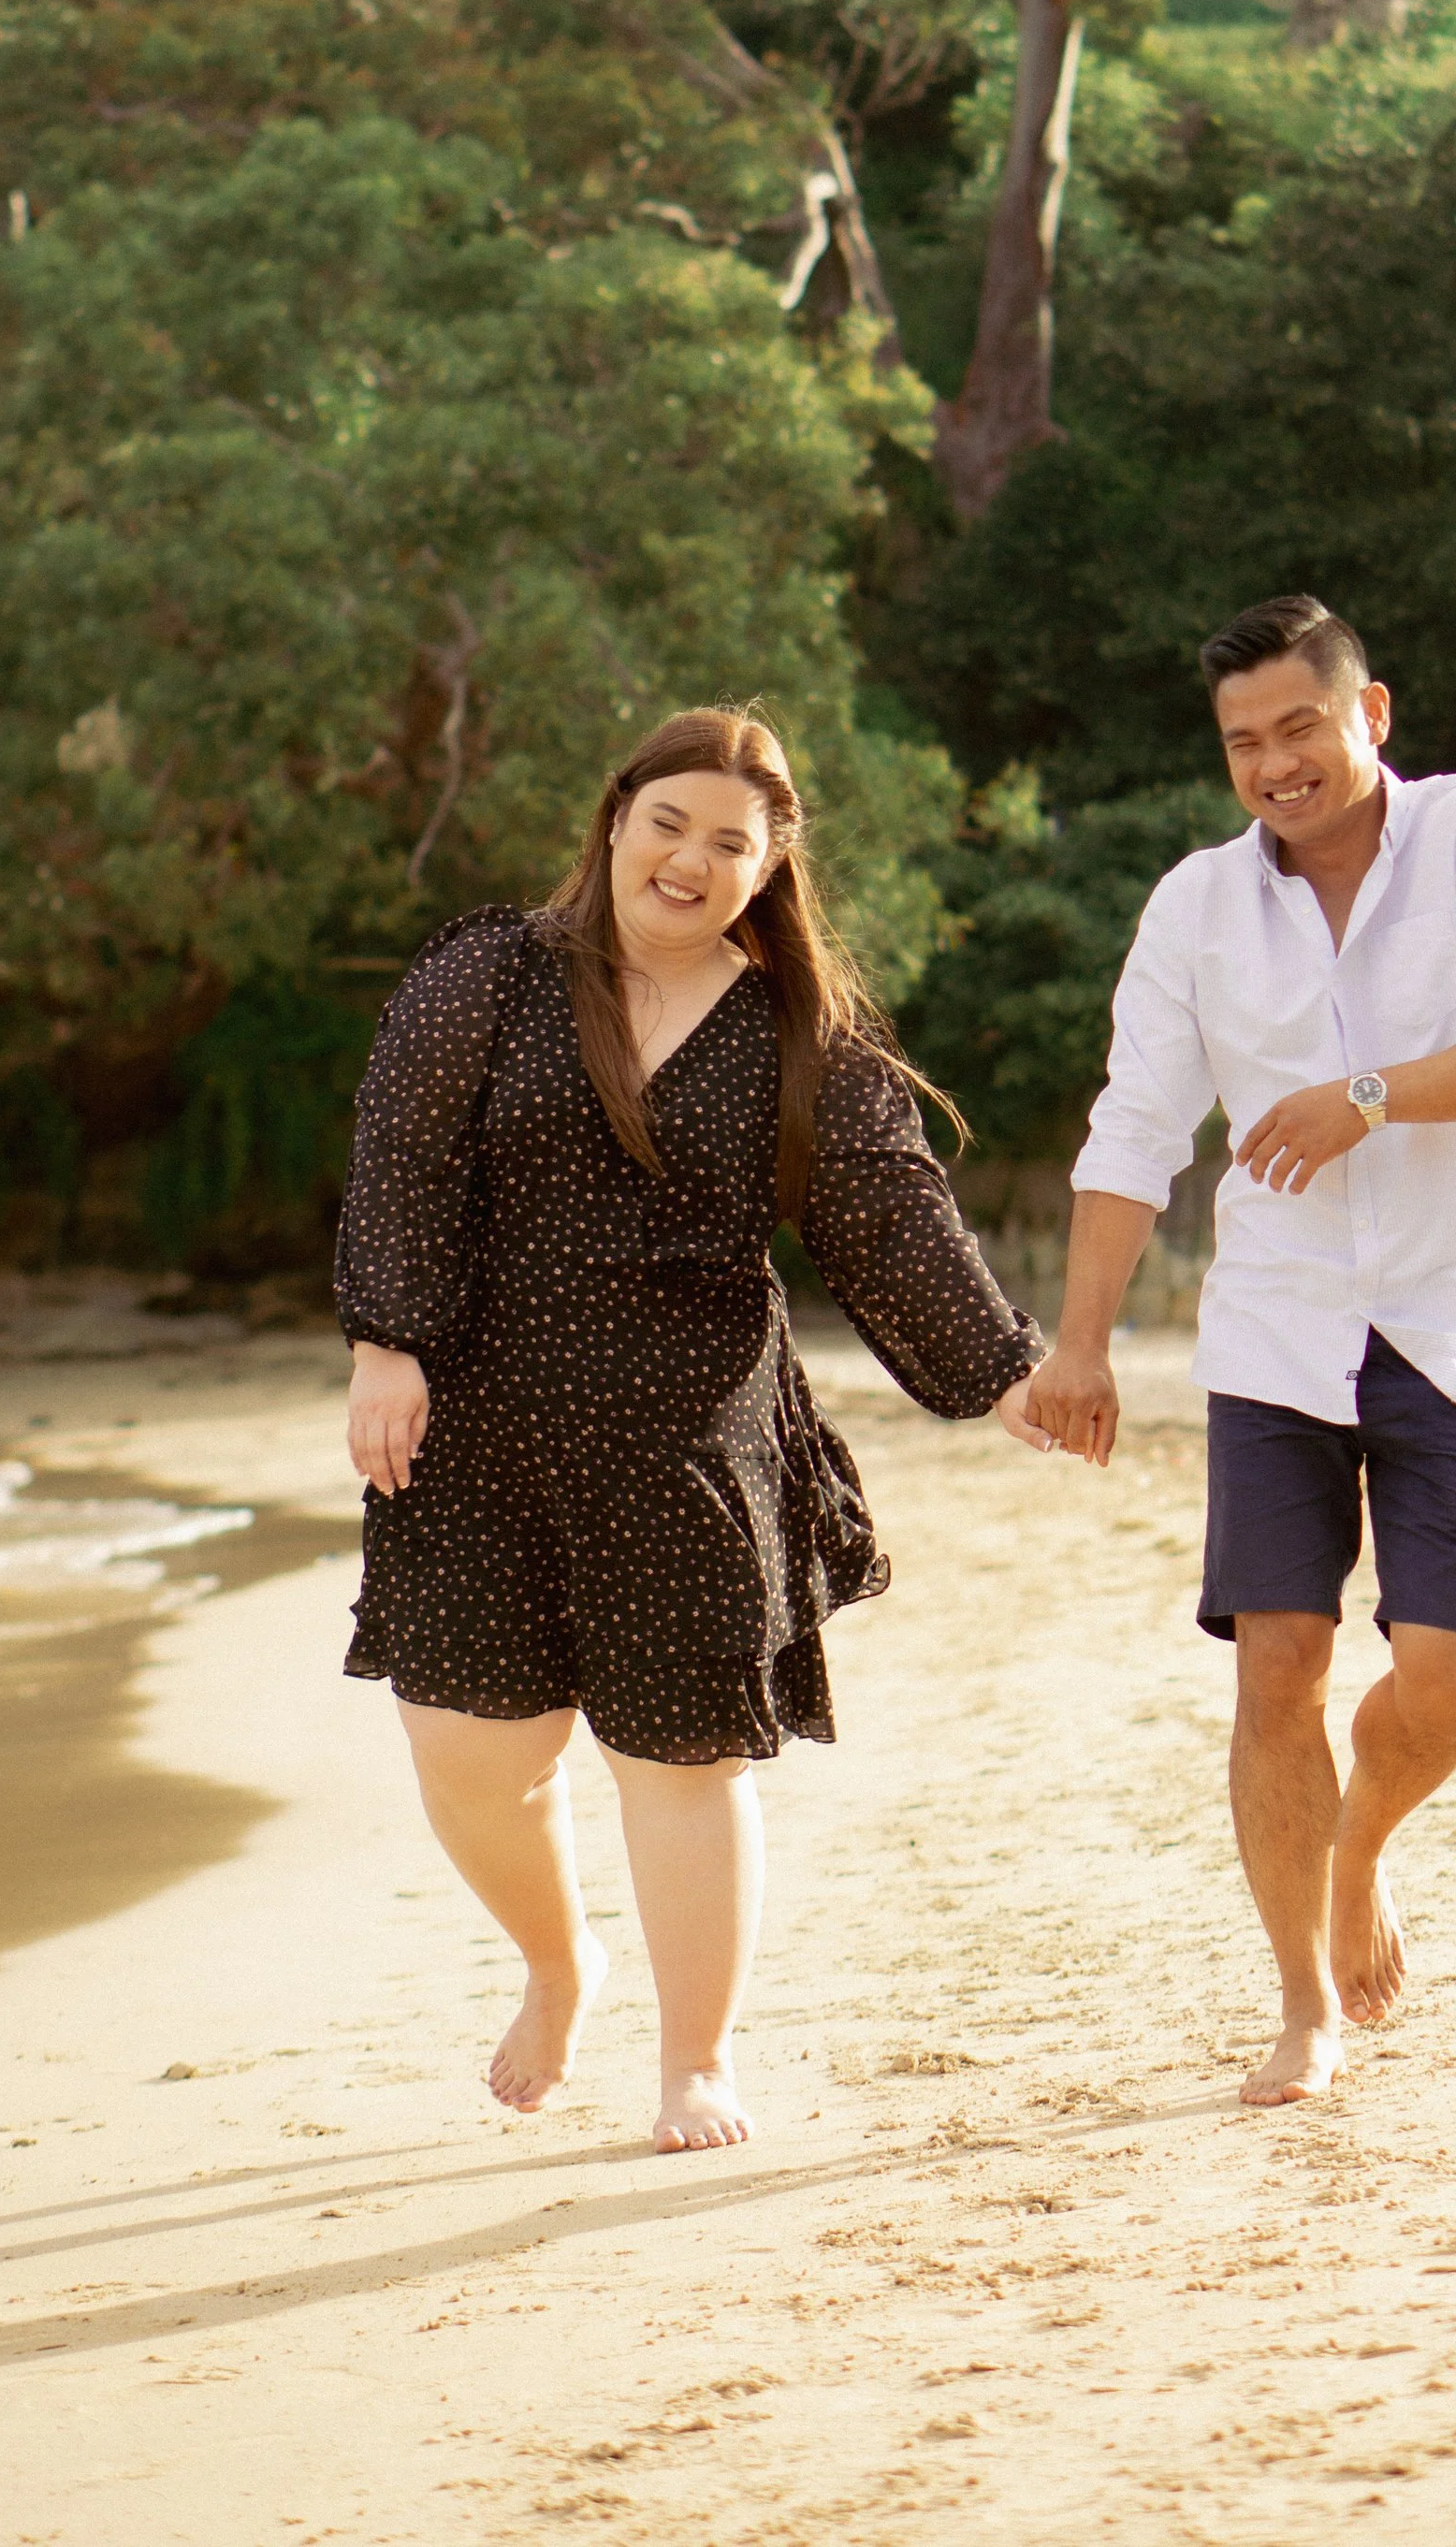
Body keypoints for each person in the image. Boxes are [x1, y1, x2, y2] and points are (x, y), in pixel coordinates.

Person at [337, 707, 1057, 2157]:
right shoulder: (489, 975)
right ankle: (560, 1963)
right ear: (616, 820)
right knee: (470, 1752)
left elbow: (885, 1210)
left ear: (769, 864)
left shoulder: (803, 1034)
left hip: (688, 1432)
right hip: (481, 1416)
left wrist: (1006, 1371)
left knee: (680, 1760)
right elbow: (401, 1158)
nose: (691, 856)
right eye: (670, 821)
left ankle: (696, 2060)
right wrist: (382, 1340)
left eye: (732, 840)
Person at [1026, 594, 1456, 2106]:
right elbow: (1137, 1127)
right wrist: (1080, 1345)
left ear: (1373, 713)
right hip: (1277, 1335)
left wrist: (1369, 1091)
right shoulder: (1195, 908)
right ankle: (1302, 2005)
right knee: (1277, 1665)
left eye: (1300, 724)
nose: (1276, 762)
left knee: (1441, 1684)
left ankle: (1364, 1844)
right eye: (1244, 742)